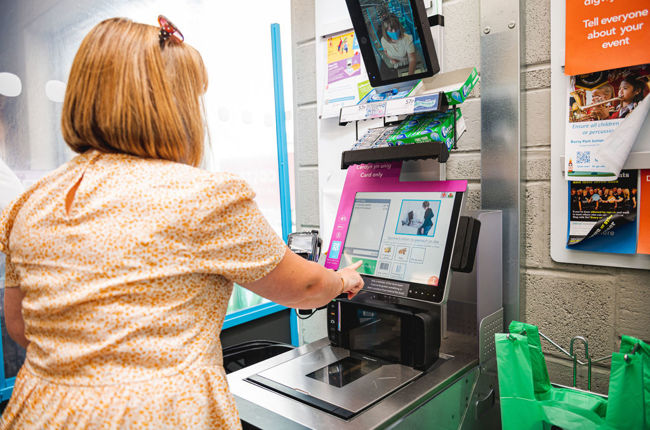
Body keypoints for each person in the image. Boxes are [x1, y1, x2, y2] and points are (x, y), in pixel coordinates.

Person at [0, 17, 364, 429]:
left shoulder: (28, 204)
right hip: (157, 415)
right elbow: (308, 287)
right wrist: (343, 280)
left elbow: (21, 327)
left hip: (40, 411)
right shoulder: (202, 197)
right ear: (171, 107)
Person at [379, 14, 416, 79]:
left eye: (396, 29)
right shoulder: (383, 40)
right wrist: (391, 59)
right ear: (386, 32)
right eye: (390, 30)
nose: (394, 32)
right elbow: (385, 51)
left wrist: (410, 76)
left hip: (406, 64)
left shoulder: (407, 39)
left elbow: (412, 59)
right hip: (394, 65)